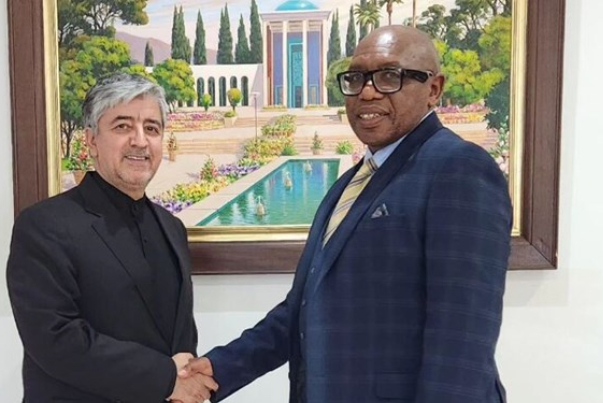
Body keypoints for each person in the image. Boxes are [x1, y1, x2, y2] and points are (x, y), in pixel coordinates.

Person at [182, 25, 512, 403]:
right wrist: (220, 368)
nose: (367, 92)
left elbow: (462, 339)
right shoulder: (352, 182)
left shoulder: (459, 168)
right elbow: (304, 307)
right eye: (355, 79)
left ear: (433, 89)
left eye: (389, 76)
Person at [6, 73, 218, 402]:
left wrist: (185, 380)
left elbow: (178, 337)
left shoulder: (171, 227)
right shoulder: (44, 225)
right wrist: (165, 378)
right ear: (91, 140)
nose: (140, 141)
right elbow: (56, 340)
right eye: (122, 126)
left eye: (152, 128)